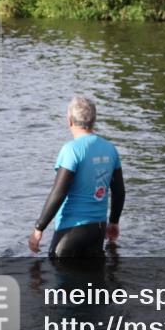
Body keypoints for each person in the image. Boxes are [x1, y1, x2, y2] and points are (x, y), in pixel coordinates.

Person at [28, 96, 125, 258]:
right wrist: (114, 222)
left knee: (59, 276)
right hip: (98, 230)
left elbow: (59, 193)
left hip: (71, 231)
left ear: (69, 120)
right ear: (93, 120)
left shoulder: (71, 150)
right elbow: (119, 191)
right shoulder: (110, 149)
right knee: (94, 281)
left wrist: (39, 228)